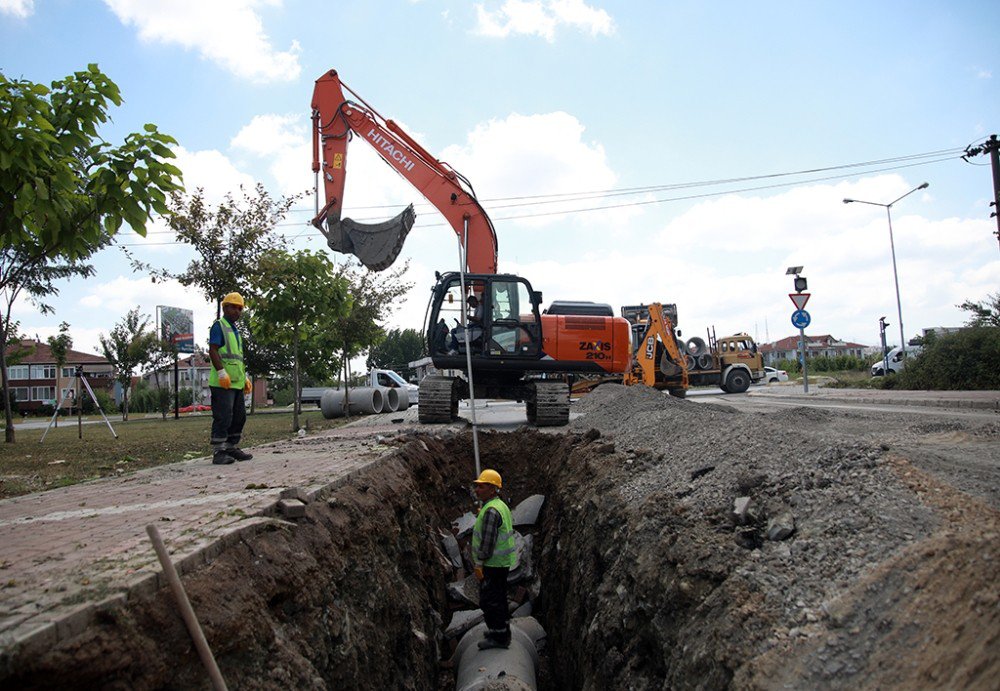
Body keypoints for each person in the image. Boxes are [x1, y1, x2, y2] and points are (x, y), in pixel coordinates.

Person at [471, 468, 518, 650]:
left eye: (481, 487)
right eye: (477, 487)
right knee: (498, 599)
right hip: (501, 564)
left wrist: (479, 563)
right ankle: (500, 632)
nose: (477, 490)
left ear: (492, 489)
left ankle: (499, 638)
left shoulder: (491, 511)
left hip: (492, 564)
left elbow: (488, 541)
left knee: (490, 601)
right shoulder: (499, 506)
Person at [208, 292, 254, 465]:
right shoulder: (219, 326)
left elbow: (237, 358)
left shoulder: (235, 331)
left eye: (240, 308)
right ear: (225, 307)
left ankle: (230, 446)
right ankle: (219, 451)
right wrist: (221, 372)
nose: (237, 311)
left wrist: (245, 378)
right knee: (224, 416)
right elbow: (213, 350)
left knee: (239, 416)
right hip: (222, 382)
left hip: (236, 383)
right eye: (233, 307)